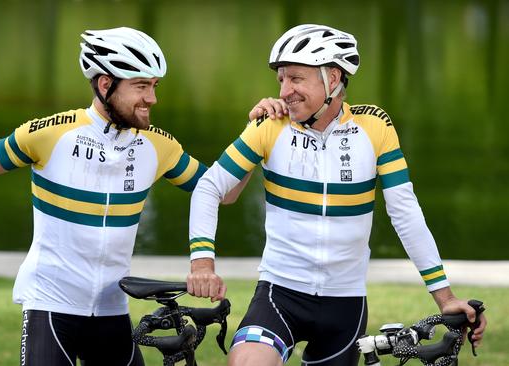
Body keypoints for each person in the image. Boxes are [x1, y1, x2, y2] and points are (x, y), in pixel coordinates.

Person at [0, 27, 242, 366]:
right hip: (51, 306)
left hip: (113, 310)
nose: (152, 98)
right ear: (105, 84)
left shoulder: (158, 146)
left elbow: (223, 192)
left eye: (154, 86)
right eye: (141, 86)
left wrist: (256, 133)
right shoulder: (51, 134)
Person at [186, 24, 486, 366]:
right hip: (279, 294)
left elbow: (405, 213)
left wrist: (444, 298)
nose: (284, 91)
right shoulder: (269, 125)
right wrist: (202, 263)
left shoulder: (374, 129)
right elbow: (211, 187)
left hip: (345, 305)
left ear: (333, 77)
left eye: (295, 79)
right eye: (281, 79)